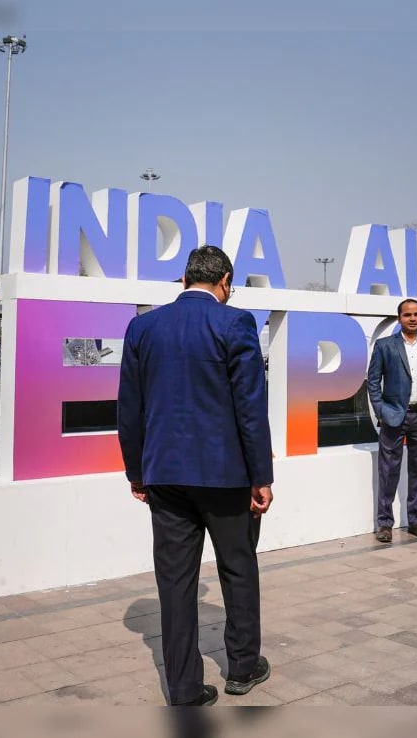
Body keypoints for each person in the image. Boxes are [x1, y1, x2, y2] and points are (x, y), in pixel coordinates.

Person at [117, 245, 274, 707]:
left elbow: (130, 409)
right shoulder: (234, 323)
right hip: (225, 475)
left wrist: (136, 472)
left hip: (164, 473)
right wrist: (260, 476)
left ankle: (184, 688)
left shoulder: (143, 327)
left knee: (175, 582)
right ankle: (242, 667)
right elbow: (250, 407)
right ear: (224, 280)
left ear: (186, 278)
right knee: (238, 568)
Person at [366, 298, 417, 543]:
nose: (412, 318)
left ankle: (415, 521)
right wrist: (381, 411)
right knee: (388, 471)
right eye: (407, 314)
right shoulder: (385, 346)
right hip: (393, 417)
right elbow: (373, 381)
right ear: (399, 318)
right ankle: (385, 524)